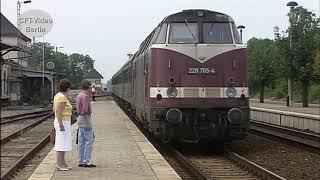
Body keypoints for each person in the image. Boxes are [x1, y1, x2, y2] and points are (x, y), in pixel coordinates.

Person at [53, 78, 72, 171]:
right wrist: (61, 124)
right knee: (61, 143)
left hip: (63, 121)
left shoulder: (58, 95)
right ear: (68, 88)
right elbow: (58, 111)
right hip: (63, 122)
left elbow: (54, 110)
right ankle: (59, 164)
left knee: (64, 143)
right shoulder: (62, 97)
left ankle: (63, 163)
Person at [76, 80, 96, 167]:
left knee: (81, 141)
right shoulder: (85, 97)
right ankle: (86, 161)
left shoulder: (79, 95)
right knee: (89, 140)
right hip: (85, 118)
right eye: (90, 87)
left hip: (80, 118)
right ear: (87, 87)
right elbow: (84, 111)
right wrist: (87, 123)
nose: (91, 89)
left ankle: (80, 161)